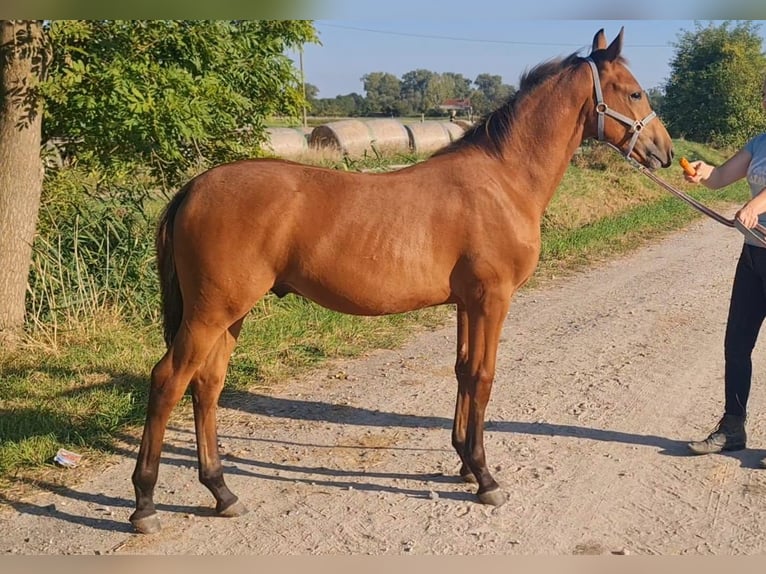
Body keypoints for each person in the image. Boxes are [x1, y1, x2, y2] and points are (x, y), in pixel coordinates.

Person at [684, 81, 766, 465]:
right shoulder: (758, 143)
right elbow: (721, 177)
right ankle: (733, 427)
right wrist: (704, 173)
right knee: (736, 345)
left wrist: (757, 204)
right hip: (753, 256)